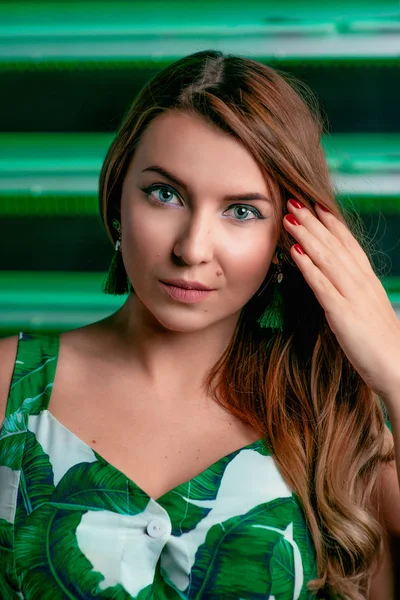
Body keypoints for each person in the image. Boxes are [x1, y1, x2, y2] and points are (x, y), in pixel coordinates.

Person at [0, 50, 399, 600]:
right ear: (118, 197)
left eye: (241, 211)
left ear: (287, 237)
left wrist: (395, 371)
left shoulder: (329, 412)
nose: (191, 249)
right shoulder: (9, 387)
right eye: (165, 194)